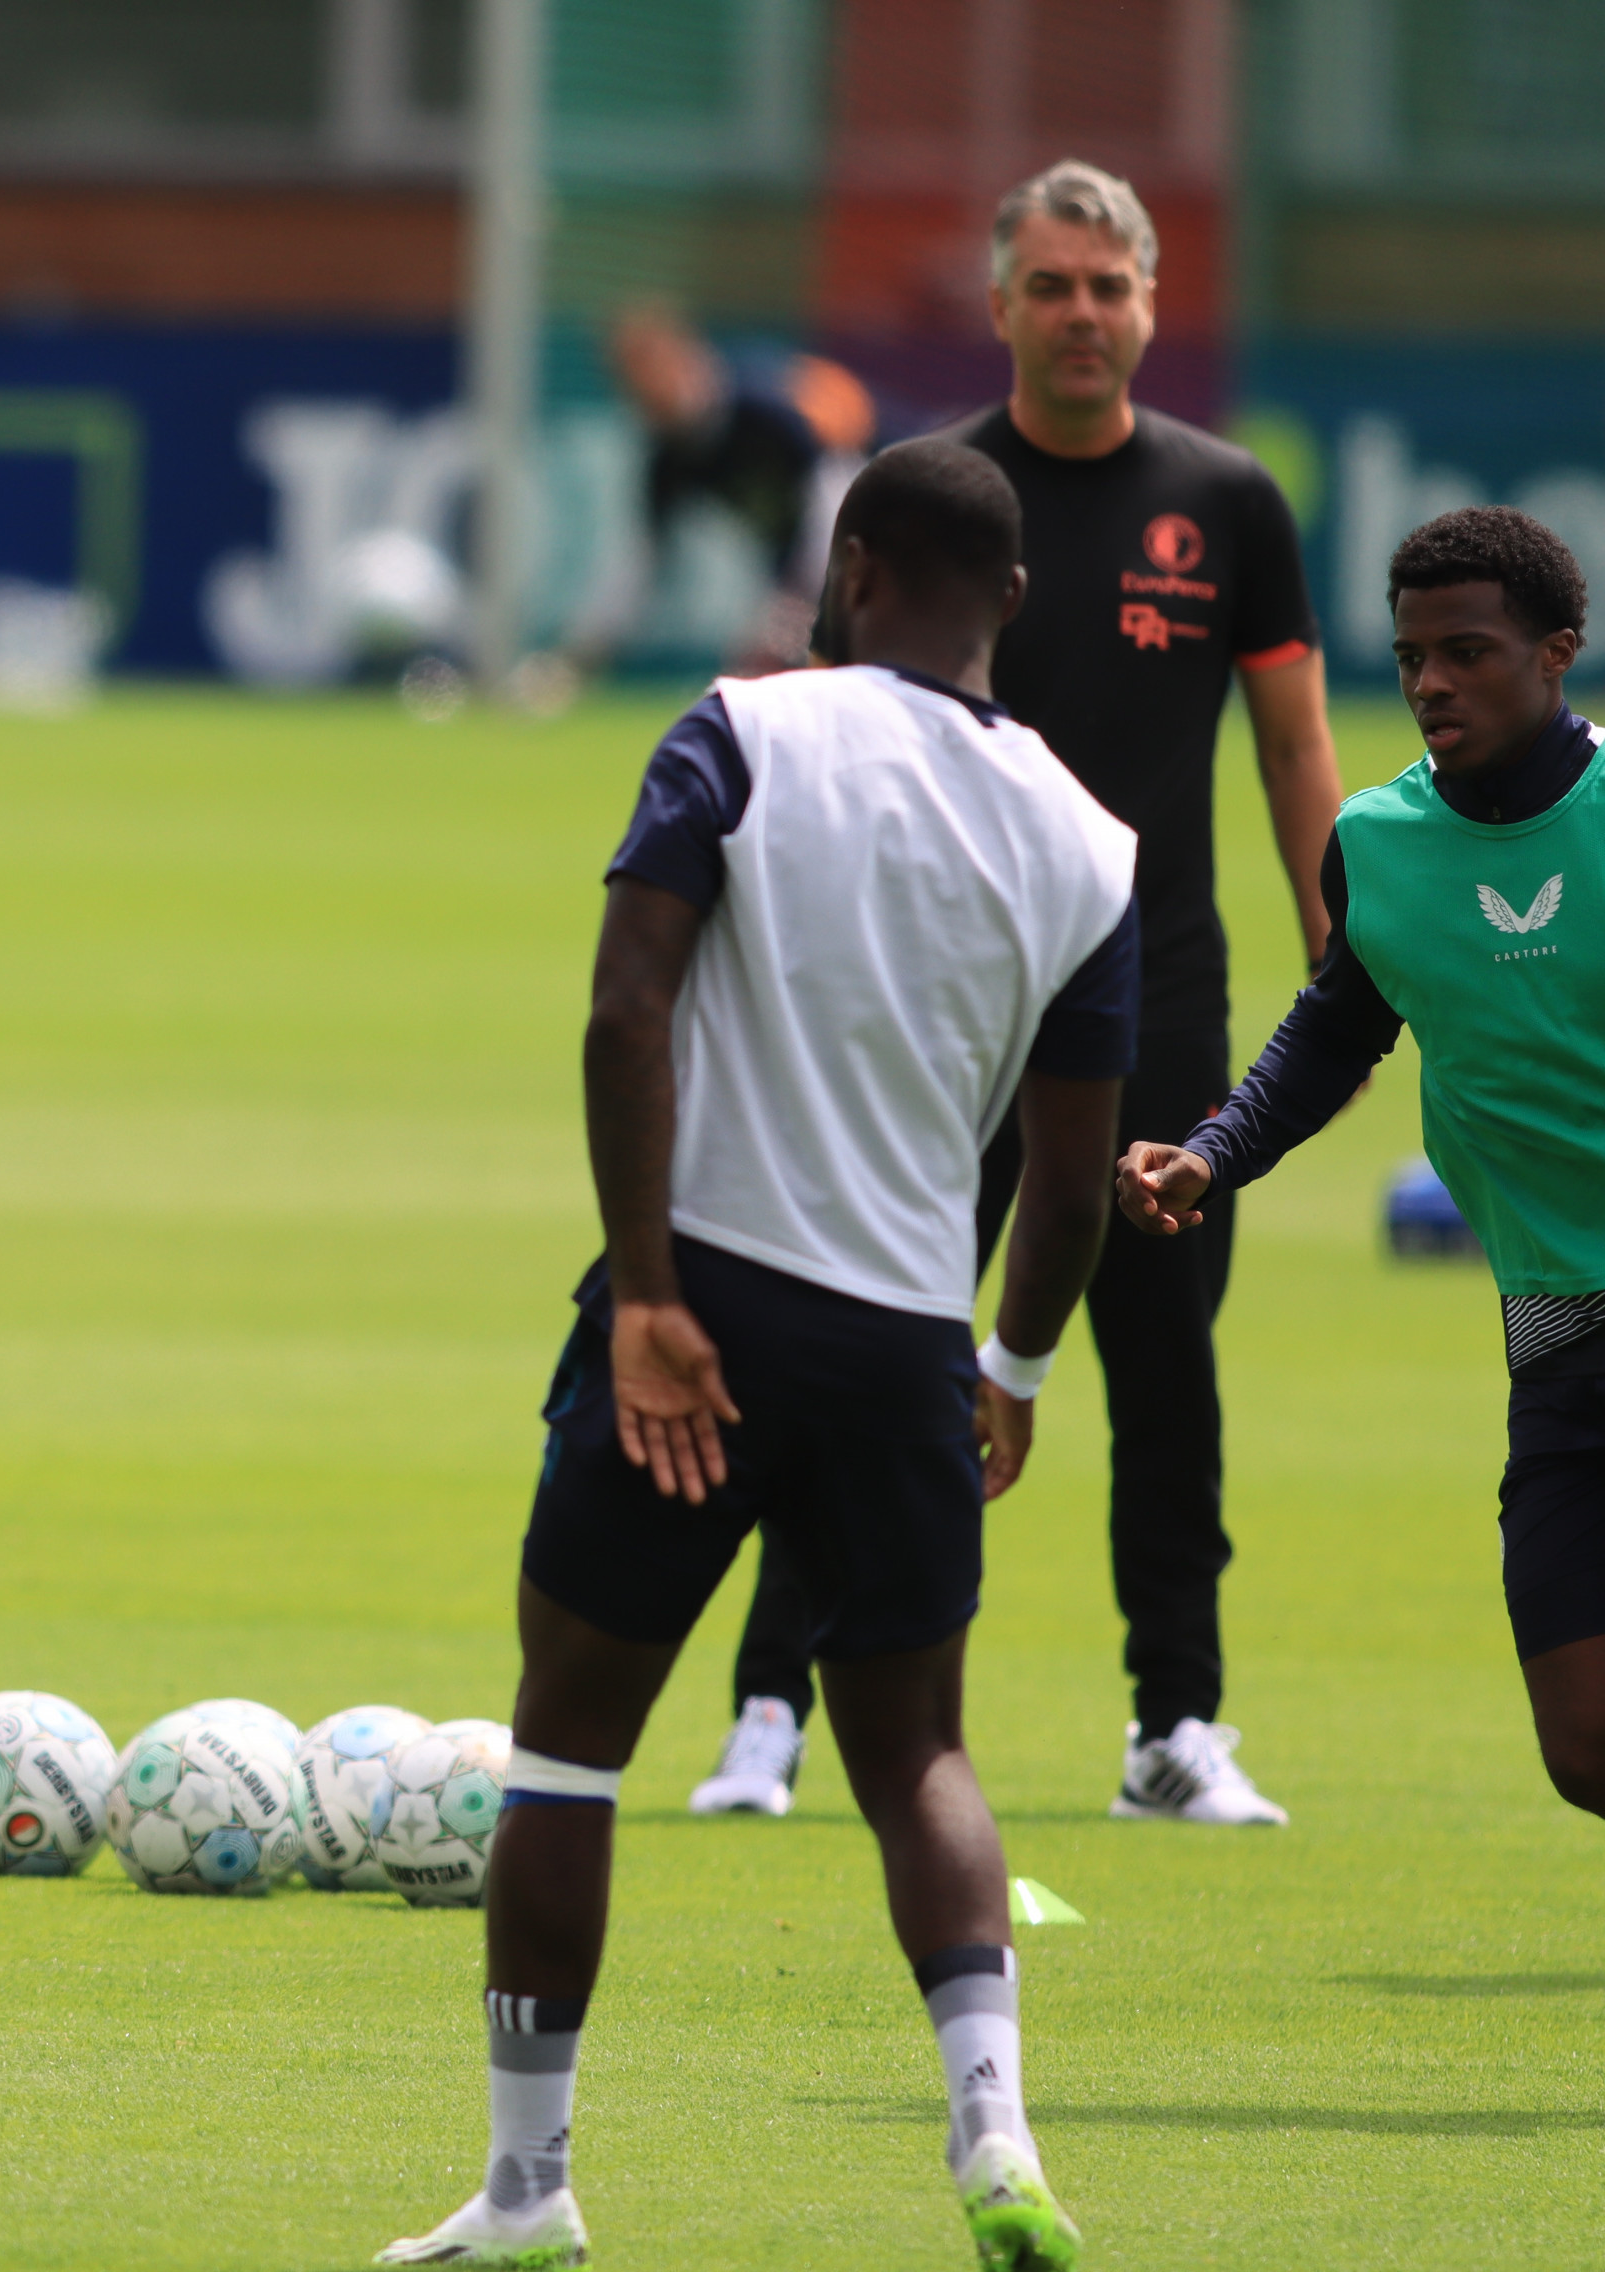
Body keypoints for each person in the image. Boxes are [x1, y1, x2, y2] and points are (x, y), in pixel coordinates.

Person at [379, 441, 1127, 2271]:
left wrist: (644, 1298)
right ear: (1012, 603)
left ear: (848, 566)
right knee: (921, 1756)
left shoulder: (740, 727)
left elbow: (626, 1010)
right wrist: (1011, 1370)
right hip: (901, 1349)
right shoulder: (1090, 841)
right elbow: (1074, 1165)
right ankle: (997, 2139)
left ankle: (529, 2194)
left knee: (567, 1747)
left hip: (701, 1314)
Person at [695, 159, 1341, 1829]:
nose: (1080, 314)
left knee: (1166, 1369)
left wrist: (1350, 951)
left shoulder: (1232, 504)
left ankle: (1175, 1728)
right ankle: (768, 1712)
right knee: (861, 1347)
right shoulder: (925, 494)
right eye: (1048, 286)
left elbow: (1290, 746)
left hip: (1162, 1005)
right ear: (997, 307)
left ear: (1148, 306)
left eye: (1107, 286)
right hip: (932, 1012)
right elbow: (826, 733)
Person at [1121, 507, 1605, 1833]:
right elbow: (1331, 1032)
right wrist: (1210, 1156)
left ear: (1560, 651)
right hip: (1558, 1335)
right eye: (1408, 659)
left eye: (1467, 652)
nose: (1432, 683)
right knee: (1582, 1746)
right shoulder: (1380, 845)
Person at [598, 303, 874, 676]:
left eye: (652, 371)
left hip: (873, 544)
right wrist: (589, 650)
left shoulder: (763, 406)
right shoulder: (671, 459)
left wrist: (810, 592)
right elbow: (641, 566)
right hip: (799, 574)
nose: (647, 393)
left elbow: (838, 495)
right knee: (759, 674)